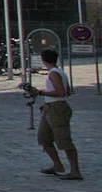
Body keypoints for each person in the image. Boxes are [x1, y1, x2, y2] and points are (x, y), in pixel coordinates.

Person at [33, 48, 81, 180]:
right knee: (43, 137)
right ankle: (57, 165)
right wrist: (47, 102)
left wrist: (40, 93)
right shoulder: (59, 72)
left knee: (64, 140)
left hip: (57, 109)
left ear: (43, 60)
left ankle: (75, 171)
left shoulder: (54, 73)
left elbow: (61, 93)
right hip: (51, 107)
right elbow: (68, 91)